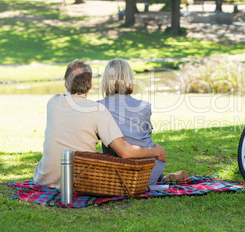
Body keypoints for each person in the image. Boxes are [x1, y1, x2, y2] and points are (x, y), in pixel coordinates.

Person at [33, 59, 166, 188]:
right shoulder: (98, 110)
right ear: (90, 85)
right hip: (79, 181)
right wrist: (156, 151)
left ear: (66, 85)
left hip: (43, 179)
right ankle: (161, 177)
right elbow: (126, 151)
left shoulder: (52, 102)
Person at [98, 58, 188, 185]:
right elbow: (145, 133)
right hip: (150, 166)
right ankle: (160, 178)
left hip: (118, 171)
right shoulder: (144, 106)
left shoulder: (98, 107)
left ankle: (160, 178)